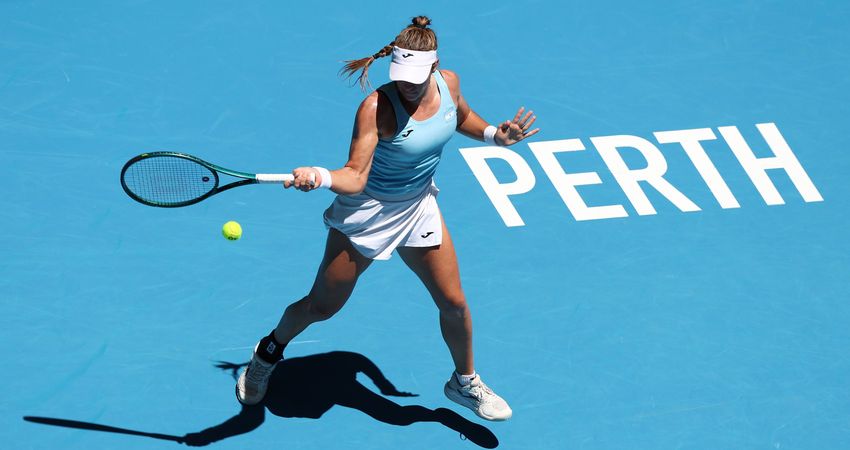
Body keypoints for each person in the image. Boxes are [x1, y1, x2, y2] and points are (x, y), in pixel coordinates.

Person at [236, 16, 539, 422]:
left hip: (417, 207)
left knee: (454, 303)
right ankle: (267, 352)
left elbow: (460, 116)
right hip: (369, 212)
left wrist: (493, 137)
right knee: (321, 307)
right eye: (401, 75)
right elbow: (355, 176)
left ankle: (464, 382)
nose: (408, 84)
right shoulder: (376, 108)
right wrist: (320, 176)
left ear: (434, 66)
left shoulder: (448, 82)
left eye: (417, 75)